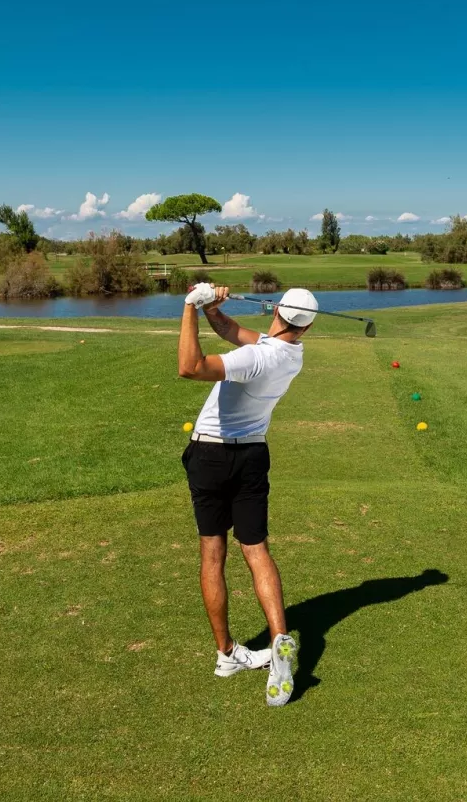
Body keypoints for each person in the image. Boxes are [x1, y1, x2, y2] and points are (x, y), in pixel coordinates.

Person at [177, 281, 317, 707]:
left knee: (212, 553)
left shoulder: (257, 356)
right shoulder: (290, 352)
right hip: (253, 455)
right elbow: (234, 332)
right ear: (305, 327)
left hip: (211, 456)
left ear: (275, 309)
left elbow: (190, 366)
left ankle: (226, 655)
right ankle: (278, 641)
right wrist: (210, 308)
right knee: (256, 551)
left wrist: (187, 307)